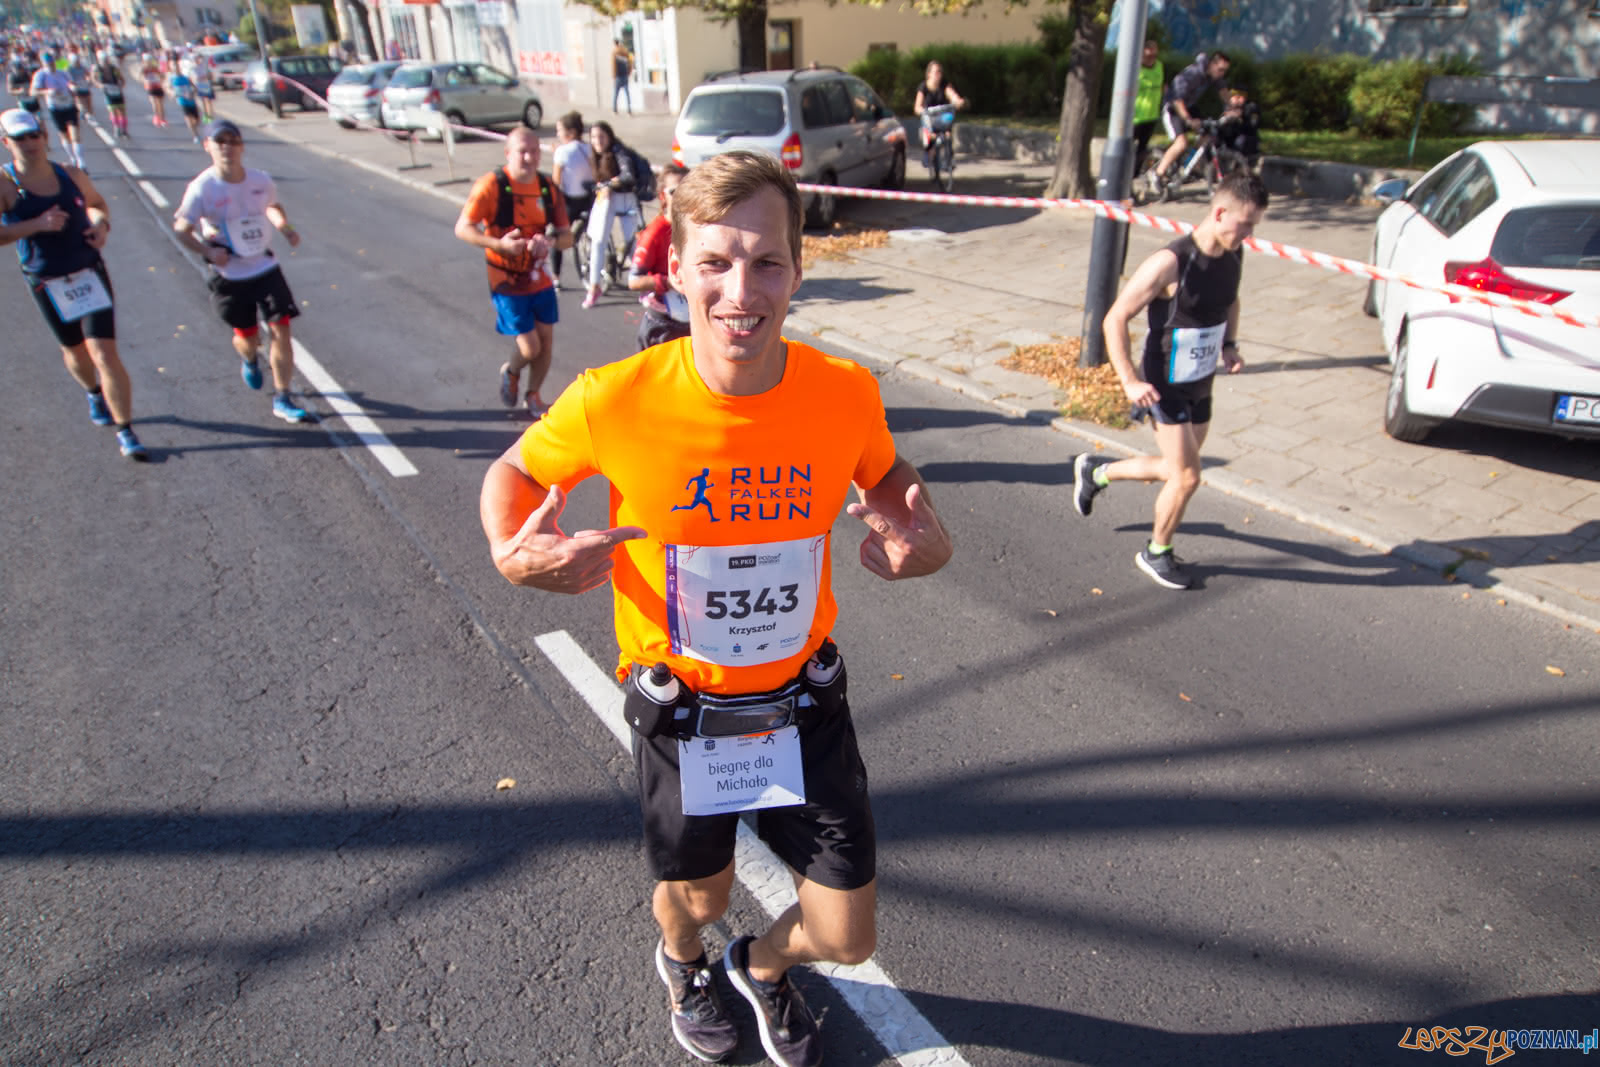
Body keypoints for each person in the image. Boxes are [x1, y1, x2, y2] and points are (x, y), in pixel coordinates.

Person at [478, 149, 952, 1067]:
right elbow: (514, 474)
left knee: (848, 936)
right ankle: (686, 958)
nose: (742, 289)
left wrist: (926, 542)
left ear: (798, 272)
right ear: (676, 270)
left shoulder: (844, 393)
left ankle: (763, 965)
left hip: (803, 705)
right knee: (697, 895)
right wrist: (513, 553)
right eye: (716, 262)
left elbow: (894, 484)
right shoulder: (615, 400)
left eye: (767, 261)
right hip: (685, 711)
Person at [1072, 171, 1268, 591]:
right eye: (1245, 224)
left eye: (1255, 226)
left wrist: (1230, 344)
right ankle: (1155, 552)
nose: (1250, 234)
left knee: (1175, 467)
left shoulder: (1233, 255)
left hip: (1201, 382)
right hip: (1164, 385)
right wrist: (1129, 382)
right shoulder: (1170, 263)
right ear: (1219, 213)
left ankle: (1097, 472)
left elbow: (1232, 299)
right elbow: (1114, 318)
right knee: (1187, 477)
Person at [0, 108, 148, 459]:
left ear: (45, 137)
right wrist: (35, 225)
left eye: (34, 135)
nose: (30, 143)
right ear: (6, 143)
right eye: (20, 138)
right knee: (75, 351)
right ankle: (93, 392)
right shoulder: (5, 186)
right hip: (47, 279)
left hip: (88, 269)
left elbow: (97, 205)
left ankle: (126, 430)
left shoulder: (71, 175)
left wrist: (101, 226)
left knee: (104, 352)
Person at [172, 118, 314, 424]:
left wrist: (285, 229)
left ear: (242, 147)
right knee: (247, 339)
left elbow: (273, 206)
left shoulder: (260, 181)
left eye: (233, 141)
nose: (227, 147)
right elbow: (182, 229)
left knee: (282, 330)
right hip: (230, 275)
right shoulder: (202, 189)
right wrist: (208, 251)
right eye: (220, 141)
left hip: (265, 266)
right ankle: (249, 357)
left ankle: (283, 395)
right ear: (207, 146)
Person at [453, 125, 572, 419]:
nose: (529, 158)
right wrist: (498, 244)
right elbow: (462, 228)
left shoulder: (547, 189)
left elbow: (567, 236)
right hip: (506, 281)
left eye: (534, 151)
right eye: (522, 152)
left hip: (539, 278)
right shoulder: (491, 186)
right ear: (508, 154)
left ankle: (533, 396)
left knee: (546, 342)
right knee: (530, 347)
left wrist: (551, 242)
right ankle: (512, 369)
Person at [627, 161, 689, 351]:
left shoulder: (695, 227)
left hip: (691, 320)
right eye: (674, 192)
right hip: (663, 324)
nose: (681, 197)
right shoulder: (655, 232)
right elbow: (634, 281)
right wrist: (670, 282)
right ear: (663, 196)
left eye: (686, 190)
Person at [579, 120, 639, 310]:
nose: (597, 141)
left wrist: (608, 184)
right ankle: (594, 287)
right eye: (594, 137)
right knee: (598, 241)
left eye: (601, 136)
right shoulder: (595, 155)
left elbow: (628, 175)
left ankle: (643, 286)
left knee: (633, 244)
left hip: (624, 198)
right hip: (605, 200)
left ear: (609, 136)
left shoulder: (619, 152)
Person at [1150, 50, 1230, 190]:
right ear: (1212, 64)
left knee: (1208, 135)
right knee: (1181, 143)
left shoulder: (1213, 75)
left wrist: (1232, 109)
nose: (1221, 74)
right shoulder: (1192, 73)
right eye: (1220, 70)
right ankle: (1157, 174)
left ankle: (1188, 165)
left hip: (1189, 106)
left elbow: (1224, 92)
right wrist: (1188, 120)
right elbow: (1177, 99)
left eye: (1225, 71)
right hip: (1173, 108)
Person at [549, 110, 593, 290]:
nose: (557, 134)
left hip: (569, 202)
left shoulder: (561, 152)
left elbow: (555, 181)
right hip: (588, 200)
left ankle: (556, 277)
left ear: (571, 132)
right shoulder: (589, 148)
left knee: (556, 238)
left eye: (559, 130)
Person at [31, 52, 86, 170]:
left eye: (52, 63)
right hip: (55, 107)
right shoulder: (40, 75)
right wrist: (47, 92)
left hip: (69, 105)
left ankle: (81, 162)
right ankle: (72, 157)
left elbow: (71, 83)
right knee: (64, 135)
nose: (51, 65)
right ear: (43, 64)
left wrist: (72, 87)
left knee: (75, 133)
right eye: (48, 64)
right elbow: (33, 92)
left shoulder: (62, 72)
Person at [912, 60, 966, 170]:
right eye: (936, 72)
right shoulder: (923, 87)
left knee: (948, 130)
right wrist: (922, 111)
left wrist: (958, 101)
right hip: (929, 117)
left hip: (942, 116)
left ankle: (949, 158)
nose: (938, 75)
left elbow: (952, 95)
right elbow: (917, 107)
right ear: (929, 74)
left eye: (940, 72)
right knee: (928, 130)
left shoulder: (944, 84)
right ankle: (928, 153)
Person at [1132, 40, 1164, 177]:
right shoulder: (1135, 68)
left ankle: (1135, 174)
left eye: (1154, 55)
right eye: (1149, 55)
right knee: (1128, 147)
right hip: (1135, 117)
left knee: (1142, 148)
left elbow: (1162, 86)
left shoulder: (1159, 66)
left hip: (1151, 116)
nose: (1152, 58)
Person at [1216, 86, 1260, 162]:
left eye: (1240, 96)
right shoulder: (1228, 107)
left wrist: (1240, 118)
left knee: (1241, 141)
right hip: (1229, 139)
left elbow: (1252, 126)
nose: (1237, 98)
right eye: (1234, 95)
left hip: (1245, 139)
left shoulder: (1251, 108)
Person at [94, 49, 129, 140]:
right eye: (103, 59)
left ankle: (124, 130)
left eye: (106, 59)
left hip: (116, 89)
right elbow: (94, 78)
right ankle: (117, 128)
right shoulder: (97, 68)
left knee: (122, 110)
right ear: (99, 60)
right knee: (113, 110)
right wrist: (99, 85)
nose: (105, 61)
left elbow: (121, 78)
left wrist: (121, 84)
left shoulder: (113, 68)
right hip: (107, 91)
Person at [169, 56, 201, 142]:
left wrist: (193, 92)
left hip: (191, 100)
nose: (177, 70)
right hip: (182, 100)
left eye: (178, 68)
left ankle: (194, 127)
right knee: (188, 118)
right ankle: (195, 135)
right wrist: (173, 94)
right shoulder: (172, 78)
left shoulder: (186, 78)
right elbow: (169, 88)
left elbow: (194, 87)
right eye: (175, 68)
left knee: (197, 120)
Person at [64, 45, 93, 123]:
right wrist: (70, 85)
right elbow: (62, 74)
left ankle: (86, 112)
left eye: (73, 49)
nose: (71, 50)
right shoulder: (65, 62)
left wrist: (89, 79)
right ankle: (82, 111)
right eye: (69, 49)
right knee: (80, 101)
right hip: (75, 86)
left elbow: (87, 73)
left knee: (88, 103)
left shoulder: (82, 62)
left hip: (84, 85)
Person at [140, 52, 166, 127]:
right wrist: (145, 80)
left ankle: (163, 119)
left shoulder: (155, 68)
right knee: (154, 103)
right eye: (147, 61)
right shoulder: (144, 69)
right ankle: (157, 118)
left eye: (150, 61)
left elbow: (162, 76)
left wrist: (160, 78)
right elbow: (141, 77)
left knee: (160, 104)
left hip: (158, 86)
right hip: (150, 87)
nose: (149, 63)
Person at [190, 52, 216, 122]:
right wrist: (205, 77)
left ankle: (210, 116)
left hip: (206, 84)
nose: (199, 60)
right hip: (200, 85)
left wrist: (207, 77)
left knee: (208, 101)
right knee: (203, 102)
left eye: (200, 58)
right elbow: (197, 78)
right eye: (198, 58)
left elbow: (210, 75)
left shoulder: (204, 66)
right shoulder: (194, 68)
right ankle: (206, 115)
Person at [611, 38, 632, 115]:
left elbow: (613, 65)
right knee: (627, 94)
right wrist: (629, 72)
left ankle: (615, 110)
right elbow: (629, 62)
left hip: (618, 76)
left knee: (616, 94)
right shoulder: (625, 51)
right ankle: (629, 110)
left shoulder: (614, 52)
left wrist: (614, 76)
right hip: (625, 75)